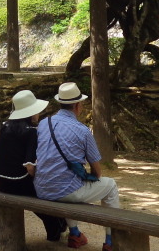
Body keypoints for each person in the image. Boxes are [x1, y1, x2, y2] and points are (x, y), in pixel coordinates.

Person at [35, 82, 122, 251]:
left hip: (42, 189)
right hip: (65, 191)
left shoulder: (44, 123)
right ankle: (111, 241)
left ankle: (75, 233)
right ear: (76, 105)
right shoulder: (82, 130)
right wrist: (88, 175)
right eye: (81, 104)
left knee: (66, 181)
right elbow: (97, 171)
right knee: (110, 185)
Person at [0, 90, 68, 241]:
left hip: (1, 180)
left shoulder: (4, 126)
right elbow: (29, 166)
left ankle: (57, 226)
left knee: (37, 196)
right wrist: (37, 179)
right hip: (18, 181)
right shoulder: (31, 132)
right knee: (44, 192)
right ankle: (57, 227)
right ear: (31, 113)